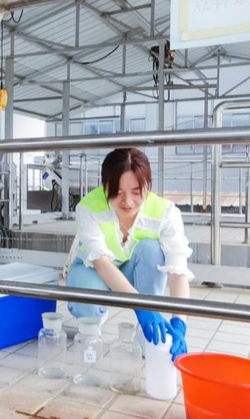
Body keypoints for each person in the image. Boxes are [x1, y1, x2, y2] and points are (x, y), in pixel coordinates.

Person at [67, 148, 193, 359]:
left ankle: (147, 333)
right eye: (117, 192)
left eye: (136, 192)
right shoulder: (88, 208)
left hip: (130, 269)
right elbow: (102, 264)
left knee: (153, 250)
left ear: (148, 186)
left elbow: (178, 269)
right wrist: (141, 307)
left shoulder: (166, 213)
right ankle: (91, 329)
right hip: (94, 271)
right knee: (84, 289)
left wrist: (179, 321)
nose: (127, 201)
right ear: (104, 186)